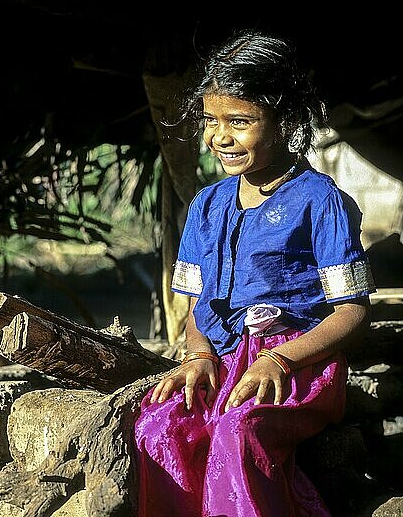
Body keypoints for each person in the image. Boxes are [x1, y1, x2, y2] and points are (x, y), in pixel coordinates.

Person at [133, 28, 377, 517]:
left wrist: (279, 362)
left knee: (238, 434)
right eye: (210, 121)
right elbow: (200, 304)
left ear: (285, 120)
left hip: (299, 366)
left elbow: (352, 311)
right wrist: (197, 355)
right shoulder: (207, 205)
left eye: (239, 121)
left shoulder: (320, 202)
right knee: (158, 427)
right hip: (223, 360)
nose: (220, 137)